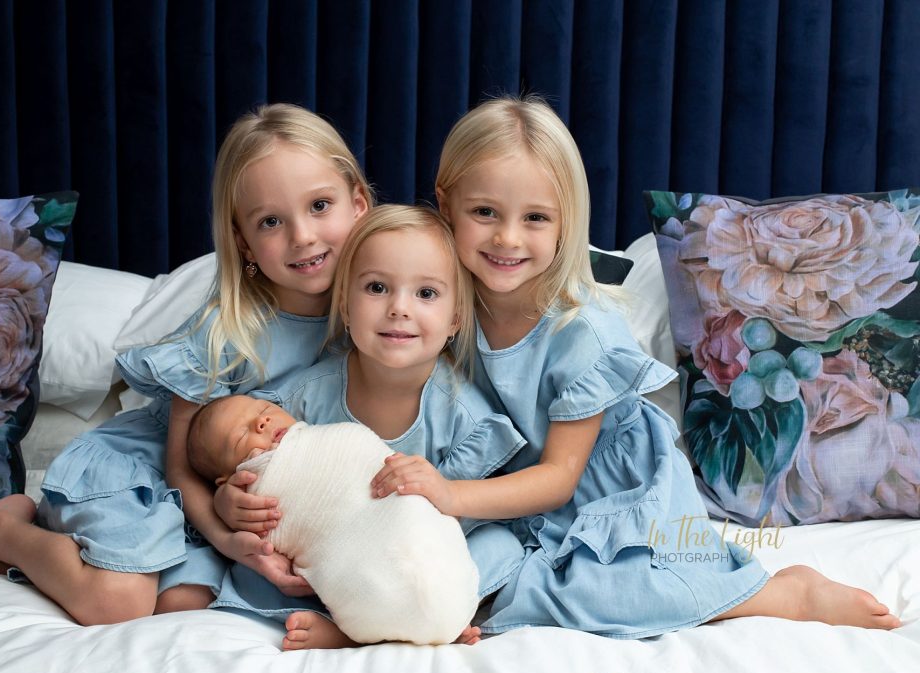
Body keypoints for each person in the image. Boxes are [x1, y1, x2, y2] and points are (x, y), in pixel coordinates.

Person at [369, 96, 902, 637]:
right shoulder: (433, 299)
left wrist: (451, 496)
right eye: (485, 212)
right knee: (444, 564)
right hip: (507, 486)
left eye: (535, 218)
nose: (507, 237)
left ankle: (781, 593)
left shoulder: (582, 333)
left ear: (565, 222)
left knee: (597, 593)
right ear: (446, 203)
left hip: (606, 490)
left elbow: (558, 480)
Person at [0, 103, 372, 625]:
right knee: (120, 604)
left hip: (219, 503)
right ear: (243, 240)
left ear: (358, 204)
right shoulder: (226, 329)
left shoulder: (382, 320)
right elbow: (178, 464)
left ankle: (35, 559)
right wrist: (224, 533)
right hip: (149, 474)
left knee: (185, 603)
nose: (303, 236)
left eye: (319, 205)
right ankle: (7, 534)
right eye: (271, 221)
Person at [211, 204, 527, 649]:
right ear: (344, 303)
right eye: (377, 288)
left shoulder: (464, 415)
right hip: (337, 562)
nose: (399, 308)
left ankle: (420, 615)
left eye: (427, 294)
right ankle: (358, 622)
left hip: (415, 557)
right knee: (260, 567)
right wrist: (231, 503)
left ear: (456, 317)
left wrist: (437, 493)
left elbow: (458, 522)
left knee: (503, 547)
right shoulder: (305, 397)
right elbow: (256, 466)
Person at [185, 392, 480, 646]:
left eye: (264, 410)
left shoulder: (320, 427)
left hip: (408, 526)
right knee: (263, 578)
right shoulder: (250, 499)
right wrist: (225, 508)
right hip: (357, 583)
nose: (260, 422)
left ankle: (435, 619)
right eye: (240, 436)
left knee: (468, 541)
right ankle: (361, 635)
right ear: (224, 480)